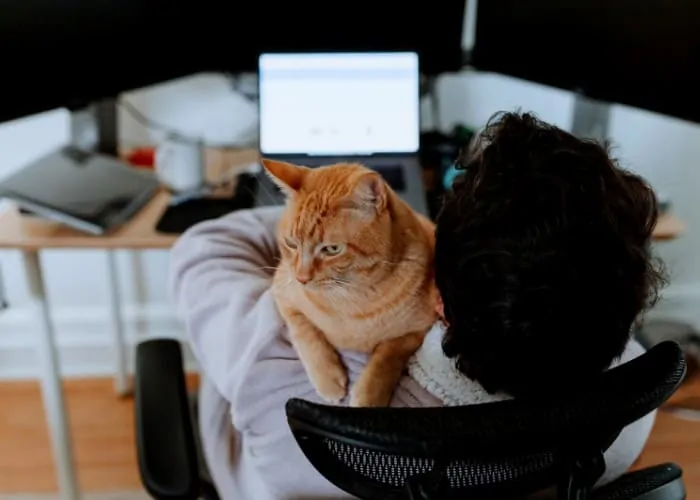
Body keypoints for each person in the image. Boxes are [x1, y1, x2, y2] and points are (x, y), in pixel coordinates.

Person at [170, 111, 665, 499]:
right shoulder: (633, 395)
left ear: (439, 300)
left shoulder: (282, 373)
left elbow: (204, 248)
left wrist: (312, 214)